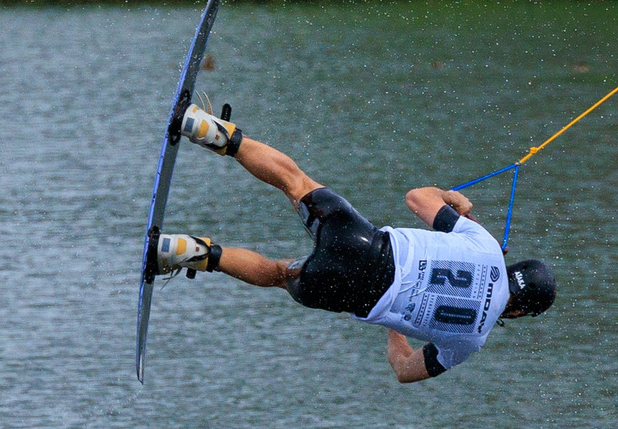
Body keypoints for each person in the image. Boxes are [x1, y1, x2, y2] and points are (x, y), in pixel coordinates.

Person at [152, 105, 556, 384]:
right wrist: (394, 324)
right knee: (278, 274)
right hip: (353, 293)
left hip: (362, 243)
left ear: (511, 268)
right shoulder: (469, 343)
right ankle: (186, 252)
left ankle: (207, 130)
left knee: (296, 182)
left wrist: (454, 200)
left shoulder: (485, 244)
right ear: (519, 311)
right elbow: (404, 369)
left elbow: (416, 197)